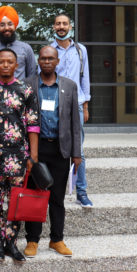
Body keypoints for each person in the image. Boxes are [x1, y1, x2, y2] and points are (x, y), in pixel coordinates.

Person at [23, 46, 82, 258]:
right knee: (35, 195)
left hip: (60, 149)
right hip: (36, 150)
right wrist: (28, 152)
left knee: (56, 197)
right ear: (38, 61)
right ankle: (32, 240)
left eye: (51, 59)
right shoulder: (28, 84)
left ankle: (56, 239)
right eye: (43, 58)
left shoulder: (69, 85)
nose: (47, 62)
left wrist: (77, 153)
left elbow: (75, 122)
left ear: (57, 62)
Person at [0, 48, 39, 264]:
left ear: (17, 65)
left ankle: (11, 243)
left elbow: (33, 124)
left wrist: (32, 156)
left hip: (19, 157)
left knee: (16, 203)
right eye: (1, 62)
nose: (5, 65)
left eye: (10, 62)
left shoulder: (26, 90)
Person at [49, 13, 92, 208]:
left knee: (78, 151)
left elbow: (85, 79)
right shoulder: (49, 50)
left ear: (70, 27)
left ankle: (81, 192)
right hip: (55, 105)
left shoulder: (80, 50)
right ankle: (50, 190)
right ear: (53, 27)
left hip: (76, 105)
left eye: (64, 23)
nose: (61, 26)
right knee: (52, 147)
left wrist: (85, 105)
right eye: (58, 23)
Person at [0, 6, 36, 82]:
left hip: (19, 92)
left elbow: (31, 75)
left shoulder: (26, 48)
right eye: (2, 25)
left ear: (15, 25)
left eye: (10, 24)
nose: (6, 28)